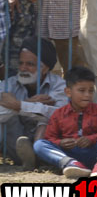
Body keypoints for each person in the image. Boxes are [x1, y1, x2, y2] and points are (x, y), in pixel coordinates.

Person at [33, 65, 97, 178]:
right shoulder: (59, 114)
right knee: (39, 144)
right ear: (68, 92)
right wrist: (61, 143)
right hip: (68, 154)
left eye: (91, 91)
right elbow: (50, 138)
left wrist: (91, 139)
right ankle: (72, 164)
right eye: (82, 90)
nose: (87, 95)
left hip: (95, 153)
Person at [0, 39, 66, 169]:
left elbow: (59, 114)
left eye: (30, 64)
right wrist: (26, 104)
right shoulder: (10, 83)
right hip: (16, 143)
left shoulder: (59, 85)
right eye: (21, 63)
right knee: (7, 119)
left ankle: (39, 158)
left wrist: (18, 106)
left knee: (46, 120)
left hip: (46, 144)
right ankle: (28, 159)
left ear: (45, 68)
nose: (23, 68)